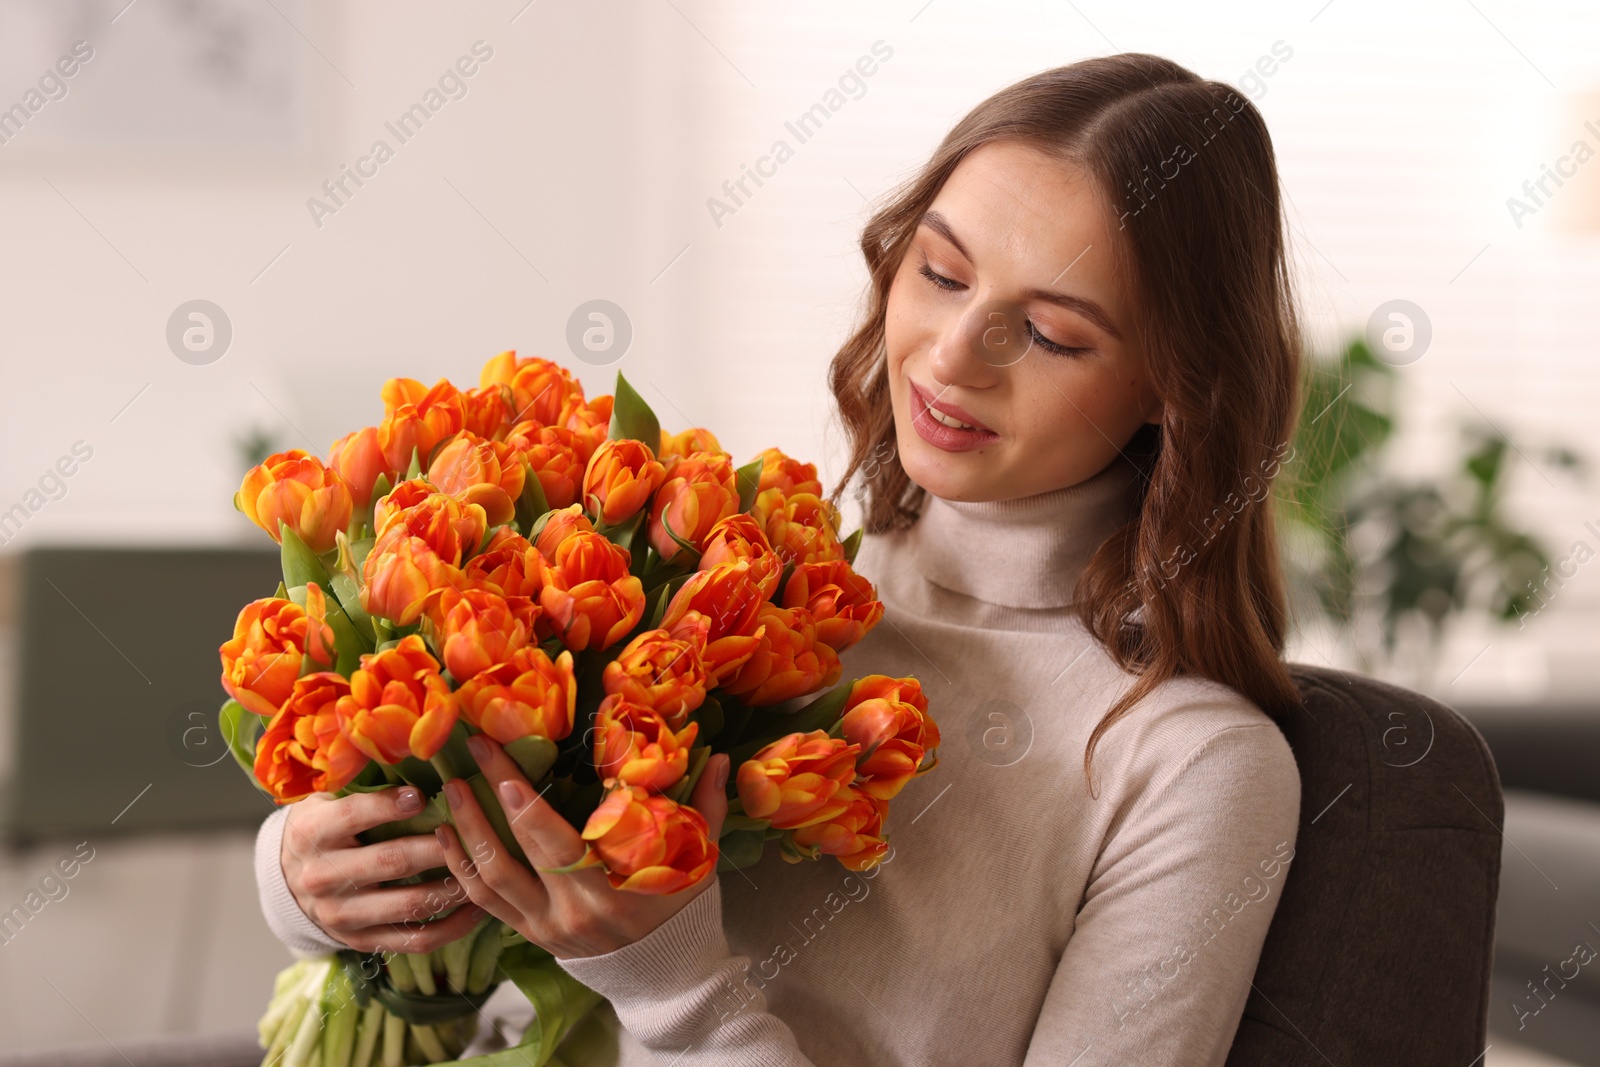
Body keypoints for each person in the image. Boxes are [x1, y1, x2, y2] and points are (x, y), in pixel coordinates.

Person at [255, 51, 1307, 1065]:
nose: (950, 354)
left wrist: (666, 980)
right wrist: (311, 880)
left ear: (1177, 386)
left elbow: (641, 977)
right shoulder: (741, 586)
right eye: (939, 273)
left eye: (1048, 333)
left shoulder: (1189, 764)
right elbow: (496, 915)